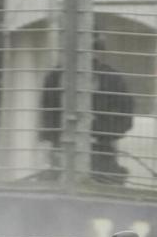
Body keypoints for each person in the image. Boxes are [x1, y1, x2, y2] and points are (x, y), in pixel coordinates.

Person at [39, 38, 135, 184]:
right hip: (63, 147)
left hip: (101, 149)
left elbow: (126, 118)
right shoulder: (54, 78)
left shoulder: (112, 79)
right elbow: (47, 116)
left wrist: (99, 132)